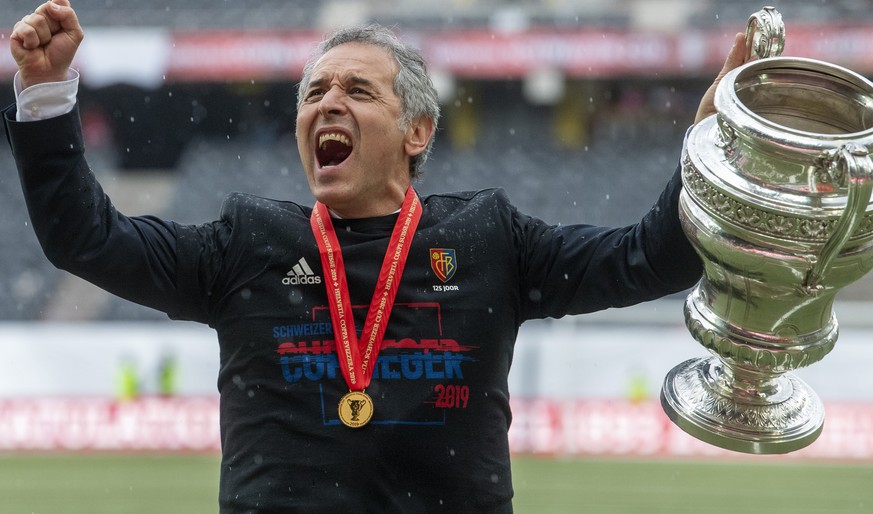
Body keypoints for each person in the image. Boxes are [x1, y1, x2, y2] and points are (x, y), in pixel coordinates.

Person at [5, 1, 750, 511]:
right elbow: (85, 238)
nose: (326, 103)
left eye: (357, 90)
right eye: (313, 92)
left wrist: (714, 143)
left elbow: (652, 260)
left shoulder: (490, 239)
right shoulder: (245, 244)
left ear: (416, 131)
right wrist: (44, 97)